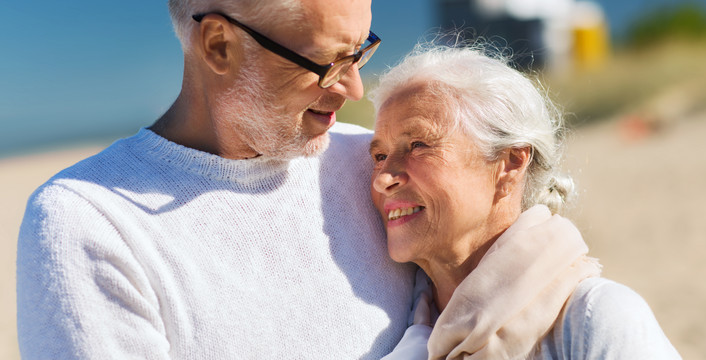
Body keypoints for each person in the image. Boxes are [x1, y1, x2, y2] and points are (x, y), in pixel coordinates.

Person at [16, 0, 418, 358]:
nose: (356, 89)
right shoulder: (90, 222)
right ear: (218, 45)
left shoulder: (381, 168)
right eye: (330, 64)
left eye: (359, 52)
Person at [368, 43, 682, 359]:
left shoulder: (596, 318)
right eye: (379, 156)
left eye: (419, 145)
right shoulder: (396, 331)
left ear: (510, 164)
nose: (383, 178)